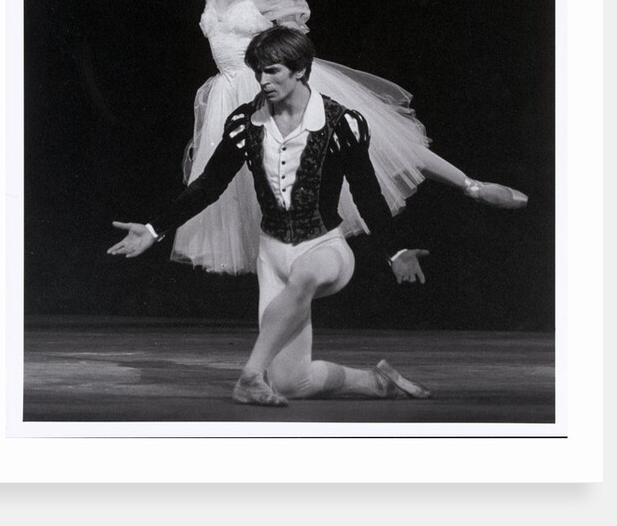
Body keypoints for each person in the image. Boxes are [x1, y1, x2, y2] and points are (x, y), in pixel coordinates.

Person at [110, 0, 527, 276]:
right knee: (237, 190)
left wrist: (284, 83)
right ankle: (284, 279)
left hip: (270, 83)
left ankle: (471, 185)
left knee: (380, 142)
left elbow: (295, 51)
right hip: (227, 90)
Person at [108, 26, 433, 406]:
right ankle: (377, 382)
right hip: (272, 255)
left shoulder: (342, 123)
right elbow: (208, 186)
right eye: (258, 72)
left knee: (306, 275)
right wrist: (154, 228)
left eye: (273, 71)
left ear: (301, 70)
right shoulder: (246, 123)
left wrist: (394, 251)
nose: (263, 81)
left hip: (325, 248)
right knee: (293, 383)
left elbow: (367, 194)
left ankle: (248, 375)